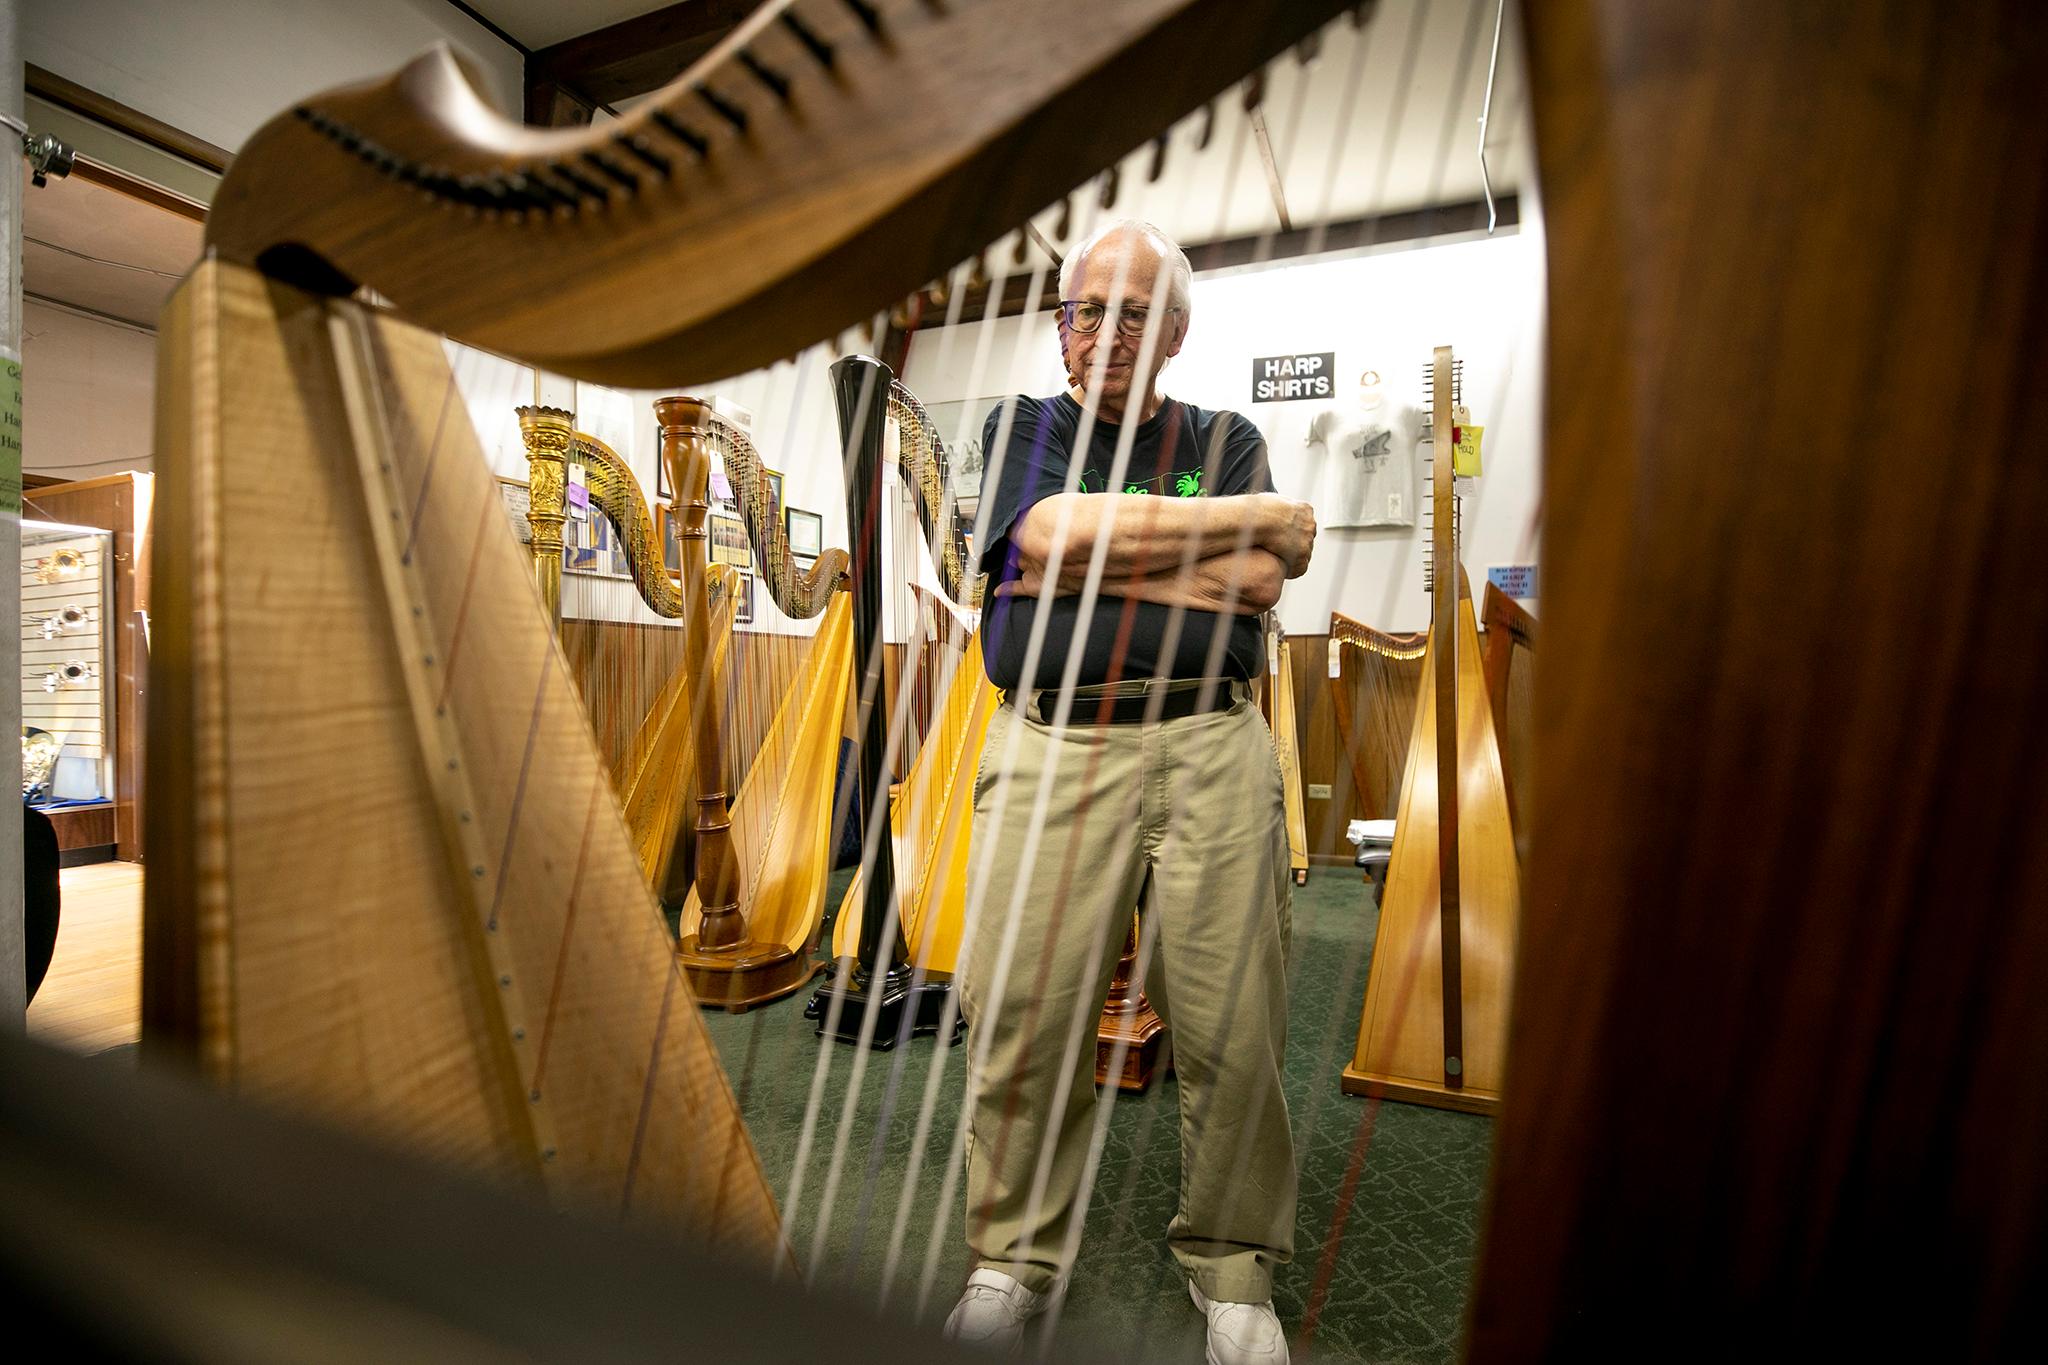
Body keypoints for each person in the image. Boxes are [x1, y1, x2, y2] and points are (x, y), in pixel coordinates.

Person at [945, 219, 1316, 1365]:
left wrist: (1135, 552)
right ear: (1060, 324)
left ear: (1175, 332)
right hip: (1054, 745)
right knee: (1022, 1013)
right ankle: (1011, 1257)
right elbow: (1050, 535)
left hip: (1209, 743)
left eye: (1134, 313)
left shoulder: (1222, 433)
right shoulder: (1021, 427)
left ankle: (1232, 1266)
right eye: (1084, 309)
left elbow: (1261, 581)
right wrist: (1241, 527)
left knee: (1230, 1026)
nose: (1105, 333)